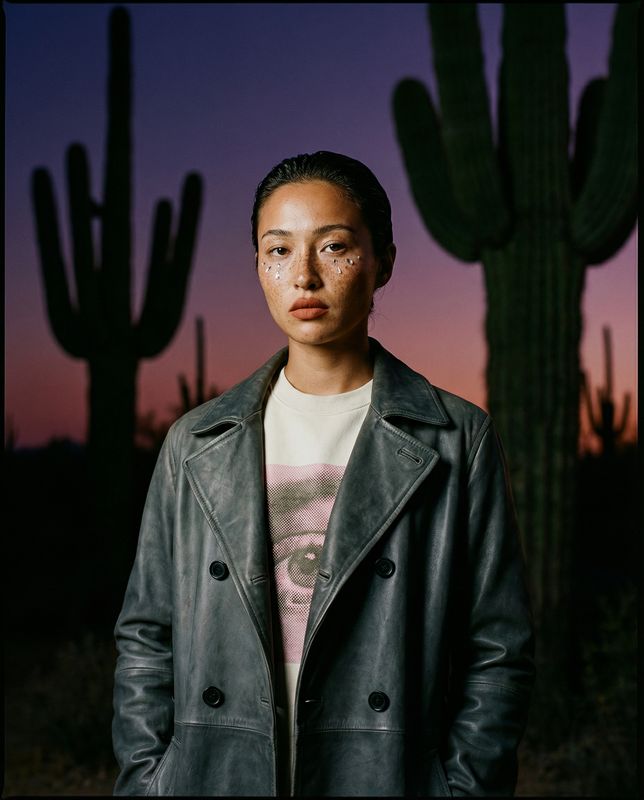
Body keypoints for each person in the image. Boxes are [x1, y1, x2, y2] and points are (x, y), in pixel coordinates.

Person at [112, 151, 535, 796]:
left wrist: (461, 788)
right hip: (215, 773)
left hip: (383, 775)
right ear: (257, 265)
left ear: (382, 261)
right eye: (277, 250)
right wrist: (148, 781)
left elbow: (498, 650)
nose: (302, 275)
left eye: (333, 246)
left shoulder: (455, 437)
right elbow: (147, 635)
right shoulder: (196, 442)